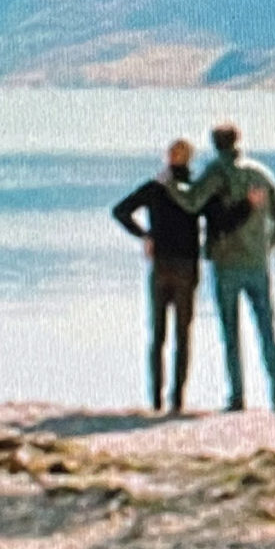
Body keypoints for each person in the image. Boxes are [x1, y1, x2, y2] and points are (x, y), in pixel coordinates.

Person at [170, 122, 275, 412]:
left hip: (227, 264)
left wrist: (171, 182)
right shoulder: (260, 174)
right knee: (267, 330)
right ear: (238, 141)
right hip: (257, 264)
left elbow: (191, 201)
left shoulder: (216, 172)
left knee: (231, 332)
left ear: (215, 144)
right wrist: (266, 246)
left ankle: (237, 397)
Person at [110, 138, 205, 413]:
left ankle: (155, 399)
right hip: (186, 266)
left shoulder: (155, 187)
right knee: (183, 335)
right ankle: (178, 400)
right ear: (189, 160)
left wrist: (145, 235)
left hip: (161, 266)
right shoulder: (197, 191)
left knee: (158, 335)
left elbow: (120, 211)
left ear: (168, 157)